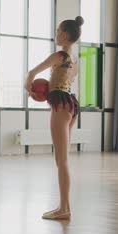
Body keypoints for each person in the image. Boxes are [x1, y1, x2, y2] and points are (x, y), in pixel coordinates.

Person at [25, 16, 84, 220]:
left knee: (61, 160)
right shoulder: (75, 59)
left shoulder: (60, 55)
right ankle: (64, 206)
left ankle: (64, 209)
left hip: (60, 105)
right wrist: (41, 91)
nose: (56, 34)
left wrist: (28, 85)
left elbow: (34, 71)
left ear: (65, 35)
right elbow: (60, 82)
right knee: (63, 159)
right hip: (71, 105)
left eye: (58, 31)